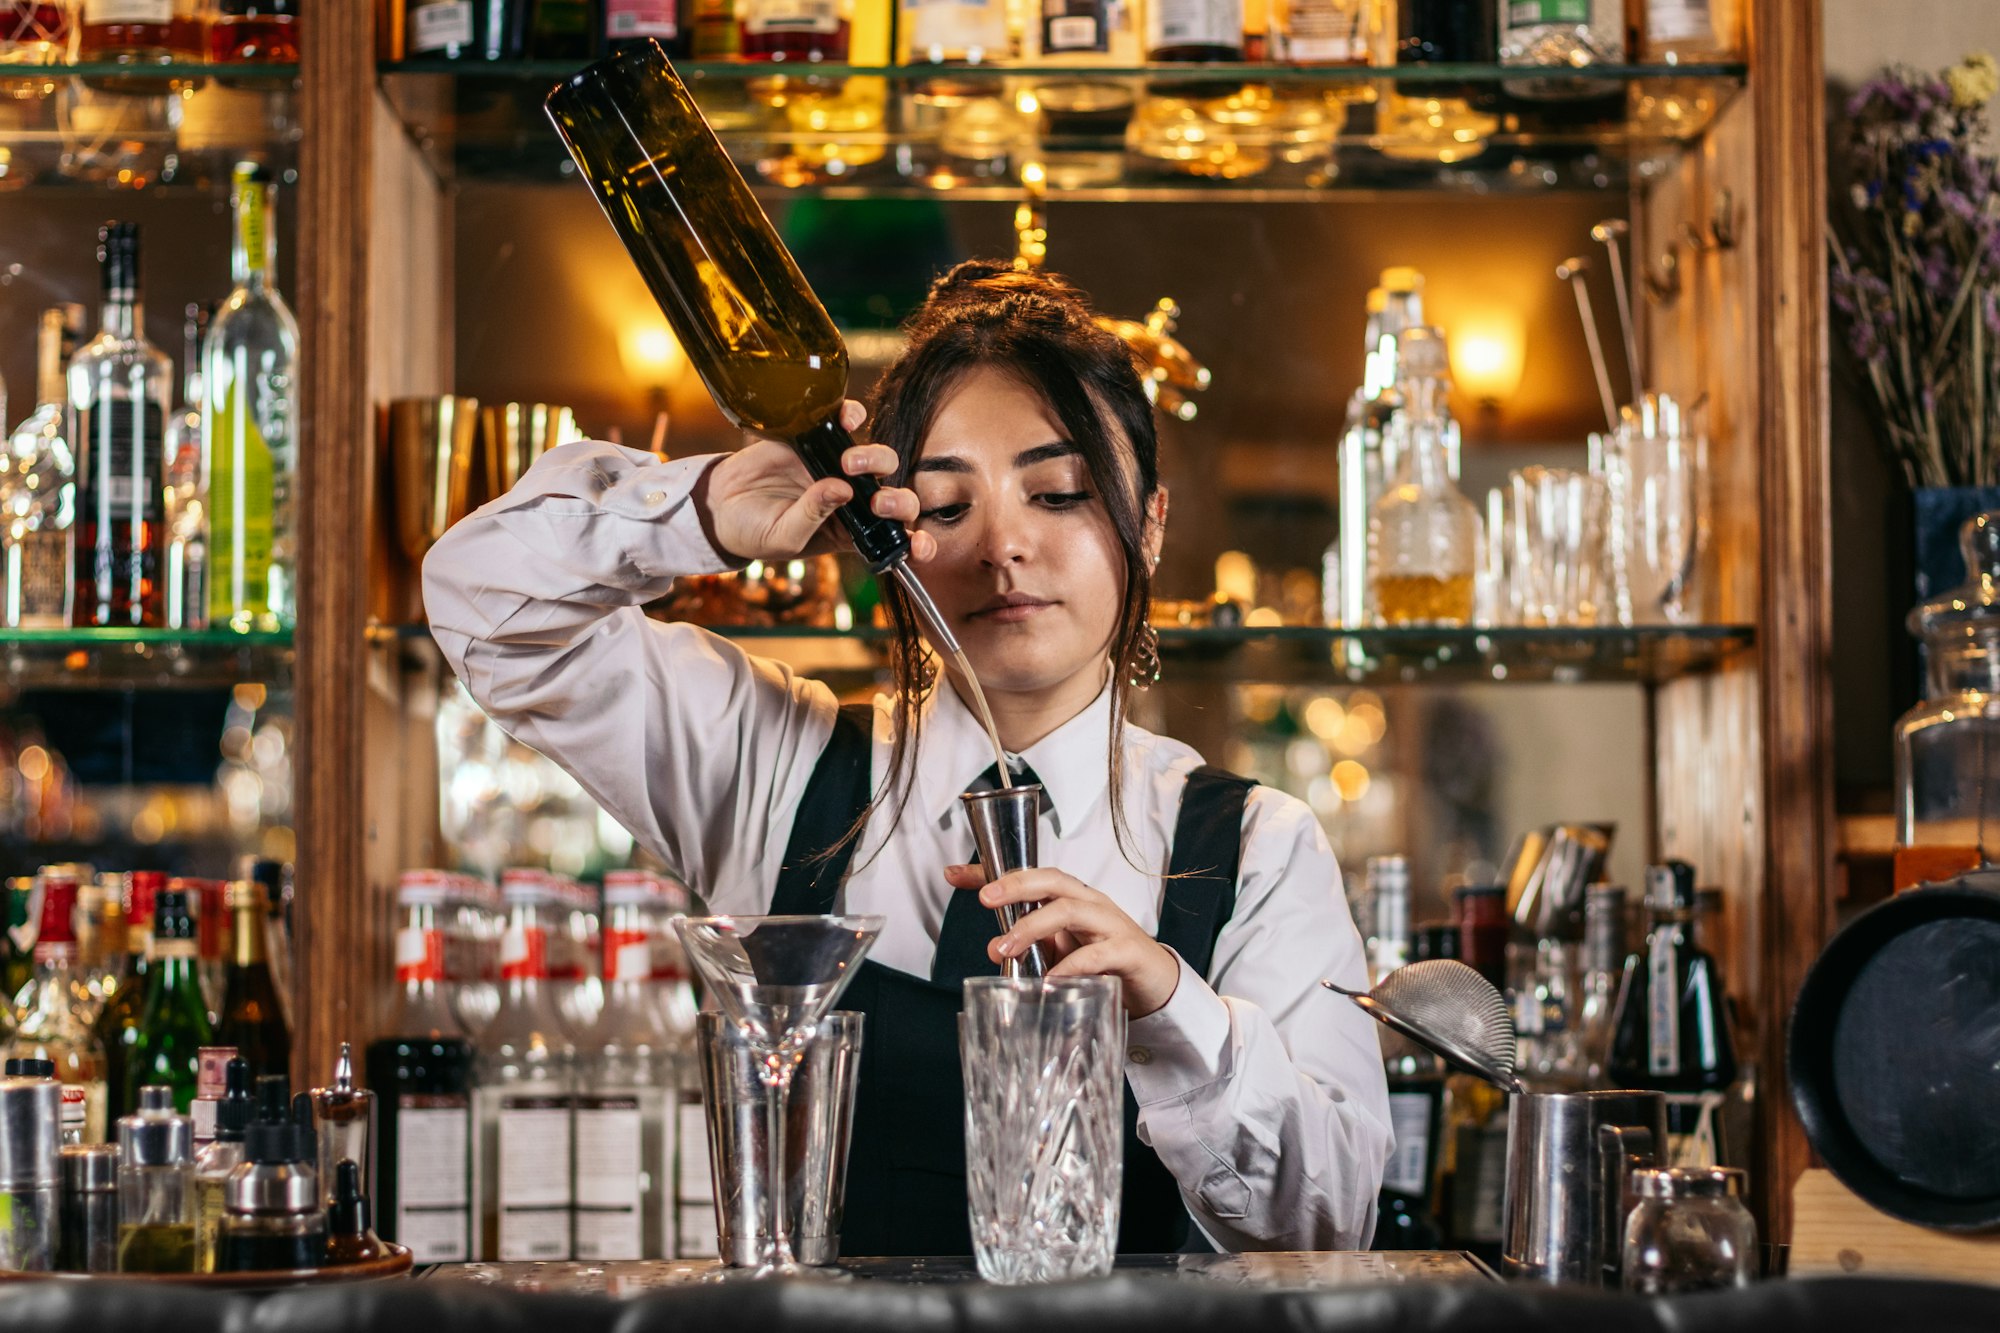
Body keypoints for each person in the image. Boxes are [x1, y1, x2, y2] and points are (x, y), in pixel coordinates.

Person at [424, 260, 1391, 1254]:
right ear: (886, 533)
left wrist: (1170, 1005)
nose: (1001, 546)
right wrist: (706, 510)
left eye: (1057, 494)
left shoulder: (1256, 849)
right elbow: (479, 599)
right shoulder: (773, 761)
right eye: (942, 505)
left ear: (1147, 525)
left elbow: (1326, 1225)